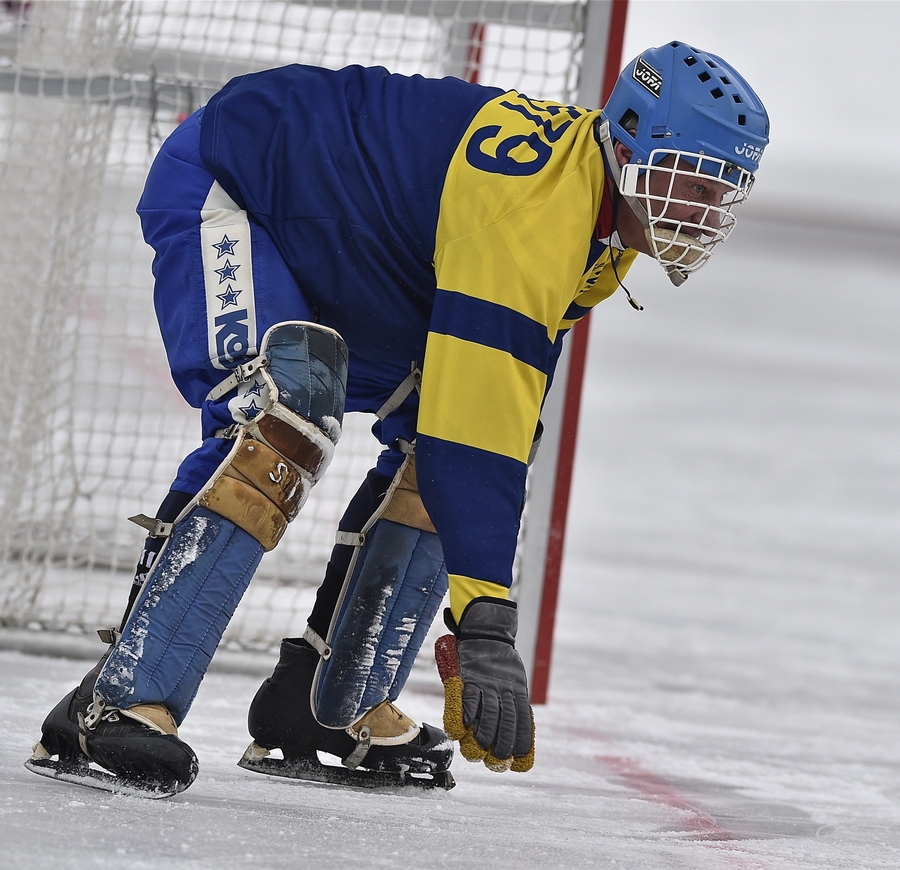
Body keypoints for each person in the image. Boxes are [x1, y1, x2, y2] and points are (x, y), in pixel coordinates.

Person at [26, 40, 768, 795]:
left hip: (354, 255)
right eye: (691, 183)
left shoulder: (603, 226)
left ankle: (322, 704)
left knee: (440, 459)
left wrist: (481, 599)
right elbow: (474, 438)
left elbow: (491, 426)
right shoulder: (539, 217)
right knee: (280, 418)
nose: (704, 213)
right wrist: (484, 625)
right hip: (235, 187)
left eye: (723, 192)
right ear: (628, 142)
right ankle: (118, 698)